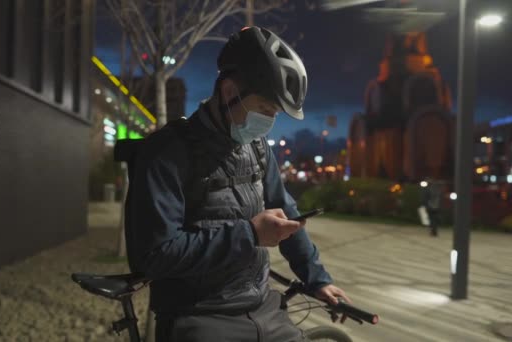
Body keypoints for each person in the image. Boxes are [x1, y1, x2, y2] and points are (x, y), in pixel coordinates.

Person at [124, 26, 350, 342]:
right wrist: (250, 234)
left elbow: (288, 217)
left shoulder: (257, 150)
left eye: (274, 115)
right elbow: (156, 255)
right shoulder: (166, 152)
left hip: (263, 307)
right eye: (264, 110)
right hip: (198, 316)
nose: (268, 124)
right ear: (230, 92)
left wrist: (317, 280)